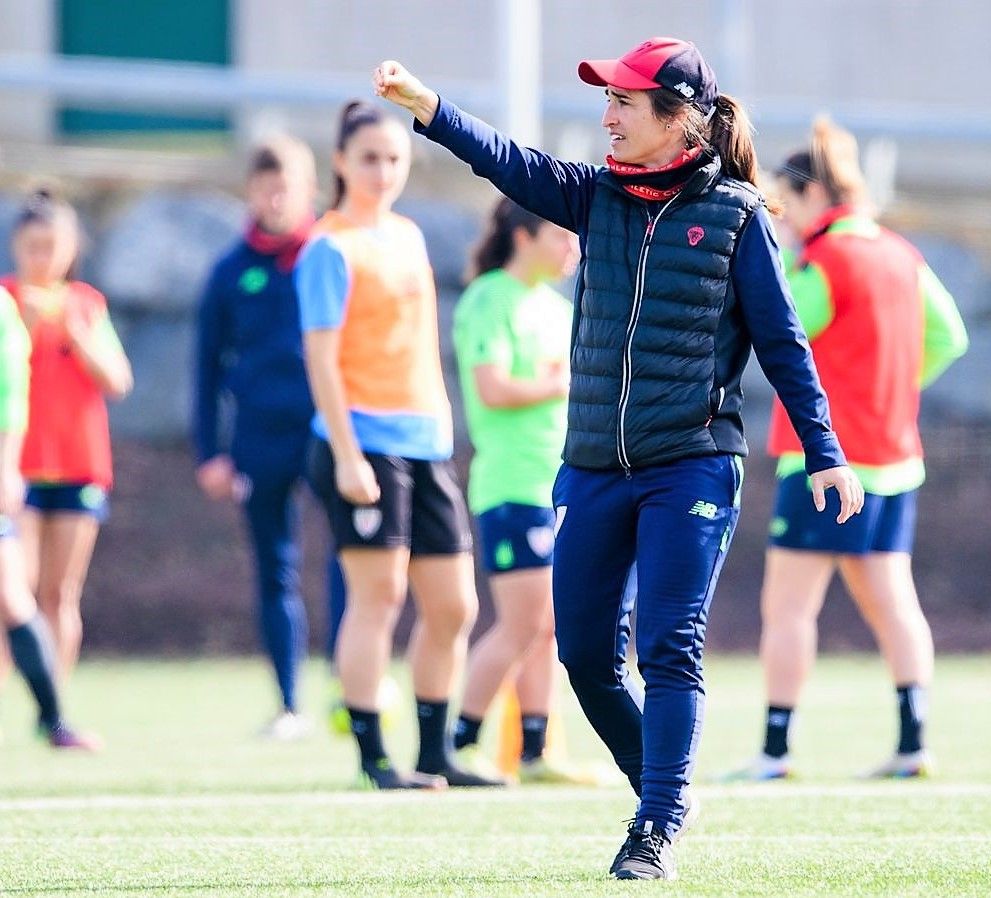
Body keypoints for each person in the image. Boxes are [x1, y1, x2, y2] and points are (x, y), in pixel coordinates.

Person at [374, 36, 864, 879]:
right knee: (583, 657)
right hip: (596, 467)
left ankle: (658, 820)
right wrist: (427, 105)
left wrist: (826, 450)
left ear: (678, 120)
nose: (607, 117)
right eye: (607, 102)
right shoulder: (594, 198)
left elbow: (785, 344)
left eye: (624, 104)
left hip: (694, 465)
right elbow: (506, 161)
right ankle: (663, 789)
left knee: (670, 645)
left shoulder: (739, 218)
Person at [724, 118, 968, 782]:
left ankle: (775, 752)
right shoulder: (901, 254)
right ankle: (914, 740)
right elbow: (949, 338)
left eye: (783, 203)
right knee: (894, 604)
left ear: (811, 198)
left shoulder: (824, 261)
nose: (782, 218)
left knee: (789, 608)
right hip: (895, 458)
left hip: (825, 464)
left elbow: (781, 332)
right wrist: (891, 388)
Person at [297, 100, 481, 790]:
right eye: (368, 158)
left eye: (394, 158)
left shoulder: (405, 235)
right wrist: (346, 454)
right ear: (341, 162)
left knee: (455, 604)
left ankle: (436, 754)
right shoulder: (329, 246)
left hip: (425, 442)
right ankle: (376, 758)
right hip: (363, 443)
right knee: (378, 598)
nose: (382, 171)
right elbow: (320, 358)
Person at [195, 136, 350, 740]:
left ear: (310, 188)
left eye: (287, 184)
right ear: (251, 192)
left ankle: (349, 686)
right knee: (275, 569)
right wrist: (210, 451)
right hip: (259, 441)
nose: (277, 196)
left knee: (351, 558)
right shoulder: (230, 272)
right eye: (266, 186)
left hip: (330, 432)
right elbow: (206, 367)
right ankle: (289, 704)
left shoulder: (331, 255)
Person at [448, 197, 593, 785]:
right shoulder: (489, 298)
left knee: (549, 625)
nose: (572, 248)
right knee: (521, 622)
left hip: (558, 486)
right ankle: (457, 744)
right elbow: (493, 388)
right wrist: (561, 382)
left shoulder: (556, 310)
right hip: (512, 485)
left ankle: (535, 754)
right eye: (562, 235)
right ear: (525, 237)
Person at [1, 189, 132, 683]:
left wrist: (78, 336)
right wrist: (27, 329)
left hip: (79, 464)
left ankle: (55, 700)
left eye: (52, 246)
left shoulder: (86, 305)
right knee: (17, 588)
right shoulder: (6, 304)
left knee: (62, 592)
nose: (42, 257)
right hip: (19, 468)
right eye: (33, 246)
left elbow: (118, 381)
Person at [0, 282, 100, 751]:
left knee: (24, 597)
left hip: (60, 474)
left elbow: (10, 393)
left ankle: (54, 718)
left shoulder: (8, 308)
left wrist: (5, 463)